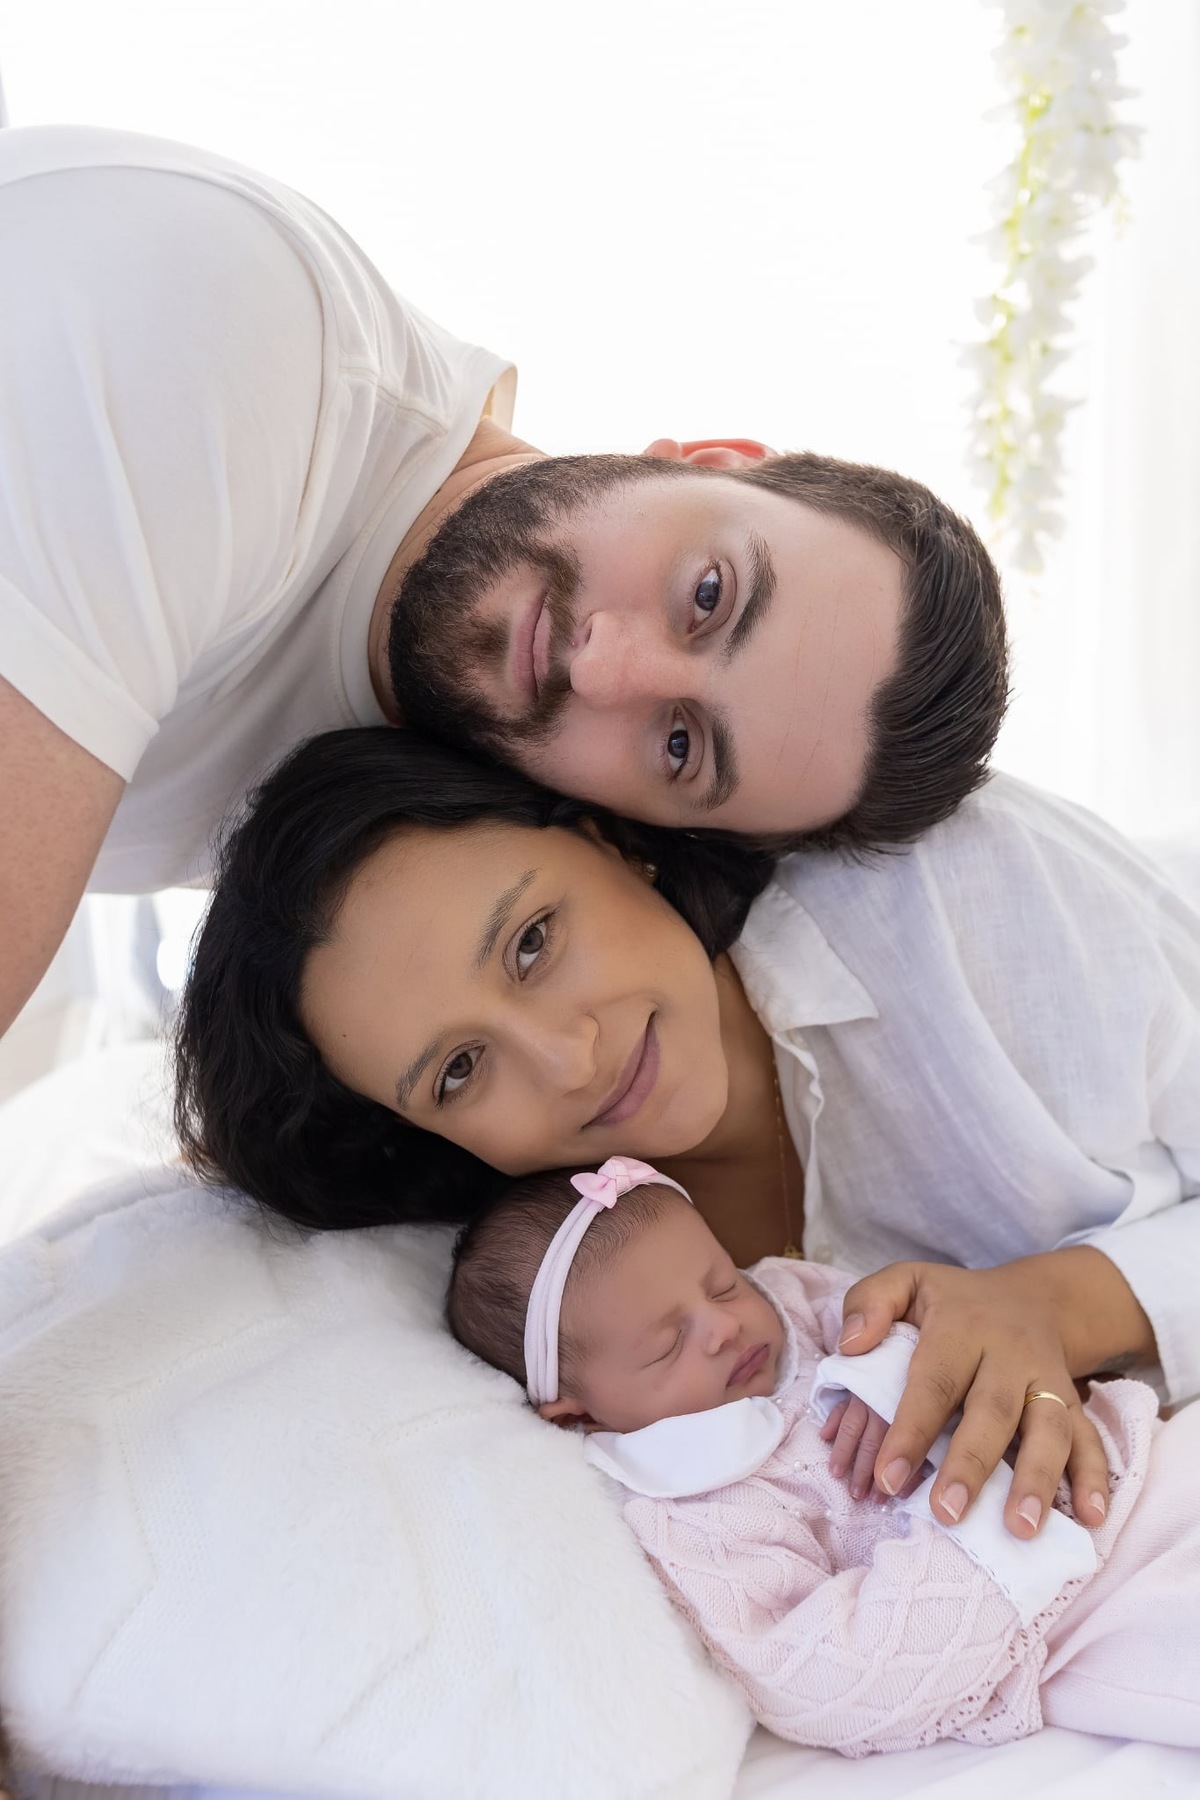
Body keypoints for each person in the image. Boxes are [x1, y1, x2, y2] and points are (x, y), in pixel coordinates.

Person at [0, 123, 1008, 1044]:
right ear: (715, 459)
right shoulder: (234, 341)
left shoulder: (394, 798)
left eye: (678, 743)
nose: (605, 667)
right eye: (708, 596)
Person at [174, 725, 1200, 1545]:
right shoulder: (569, 1295)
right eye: (458, 1070)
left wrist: (1052, 1304)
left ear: (608, 840)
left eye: (533, 943)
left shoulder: (952, 877)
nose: (569, 1059)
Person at [446, 1157, 1198, 1755]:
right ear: (580, 1413)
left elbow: (934, 1325)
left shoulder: (797, 1305)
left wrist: (894, 1372)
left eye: (722, 1283)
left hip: (1131, 1458)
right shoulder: (698, 1514)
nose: (723, 1327)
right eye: (667, 1344)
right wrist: (982, 1536)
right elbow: (823, 1683)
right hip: (1073, 1623)